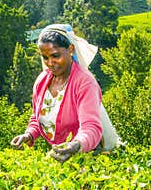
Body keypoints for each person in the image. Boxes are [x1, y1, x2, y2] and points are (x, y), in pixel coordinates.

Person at [11, 24, 120, 163]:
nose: (50, 63)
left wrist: (76, 145)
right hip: (60, 155)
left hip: (88, 156)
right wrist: (29, 134)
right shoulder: (42, 81)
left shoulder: (84, 83)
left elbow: (91, 126)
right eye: (45, 57)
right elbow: (38, 116)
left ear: (70, 49)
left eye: (55, 56)